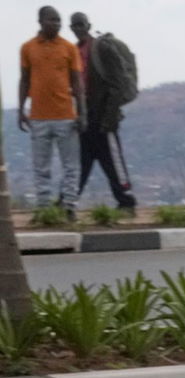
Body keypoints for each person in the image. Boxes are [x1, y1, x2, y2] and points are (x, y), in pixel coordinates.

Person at [18, 5, 84, 220]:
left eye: (58, 20)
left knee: (70, 165)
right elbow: (25, 79)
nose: (56, 24)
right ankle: (44, 209)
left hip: (66, 115)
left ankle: (70, 206)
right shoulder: (28, 48)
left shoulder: (68, 48)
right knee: (41, 167)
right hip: (38, 117)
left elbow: (77, 81)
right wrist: (21, 109)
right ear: (40, 22)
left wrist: (81, 112)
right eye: (52, 20)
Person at [68, 11, 135, 213]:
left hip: (104, 115)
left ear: (88, 26)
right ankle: (68, 201)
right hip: (84, 116)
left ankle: (126, 201)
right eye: (75, 26)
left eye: (81, 24)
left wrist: (110, 117)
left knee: (112, 161)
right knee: (81, 162)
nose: (79, 28)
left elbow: (117, 84)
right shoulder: (74, 51)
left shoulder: (102, 48)